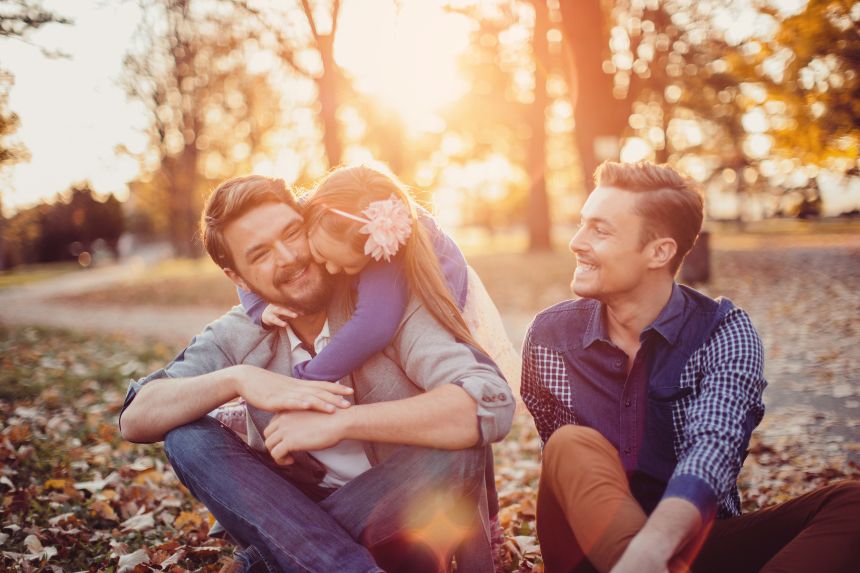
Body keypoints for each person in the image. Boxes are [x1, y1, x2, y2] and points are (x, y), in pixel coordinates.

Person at [119, 174, 515, 573]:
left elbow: (488, 402)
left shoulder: (386, 302)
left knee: (460, 448)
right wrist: (237, 379)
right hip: (299, 505)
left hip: (404, 515)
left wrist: (343, 424)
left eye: (292, 232)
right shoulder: (239, 333)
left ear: (310, 220)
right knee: (187, 437)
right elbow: (136, 417)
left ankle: (274, 559)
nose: (288, 257)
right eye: (260, 255)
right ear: (238, 278)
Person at [521, 161, 860, 573]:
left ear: (659, 251)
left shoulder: (722, 332)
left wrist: (651, 551)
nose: (576, 242)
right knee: (570, 444)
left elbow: (714, 447)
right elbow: (562, 471)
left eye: (600, 230)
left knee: (850, 504)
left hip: (696, 543)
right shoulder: (550, 337)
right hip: (591, 552)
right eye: (582, 224)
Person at [236, 164, 520, 389]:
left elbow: (374, 325)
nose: (332, 270)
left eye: (348, 267)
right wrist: (258, 305)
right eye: (323, 258)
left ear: (372, 254)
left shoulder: (381, 248)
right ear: (311, 217)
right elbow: (241, 259)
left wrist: (306, 379)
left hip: (433, 290)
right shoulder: (306, 211)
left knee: (404, 353)